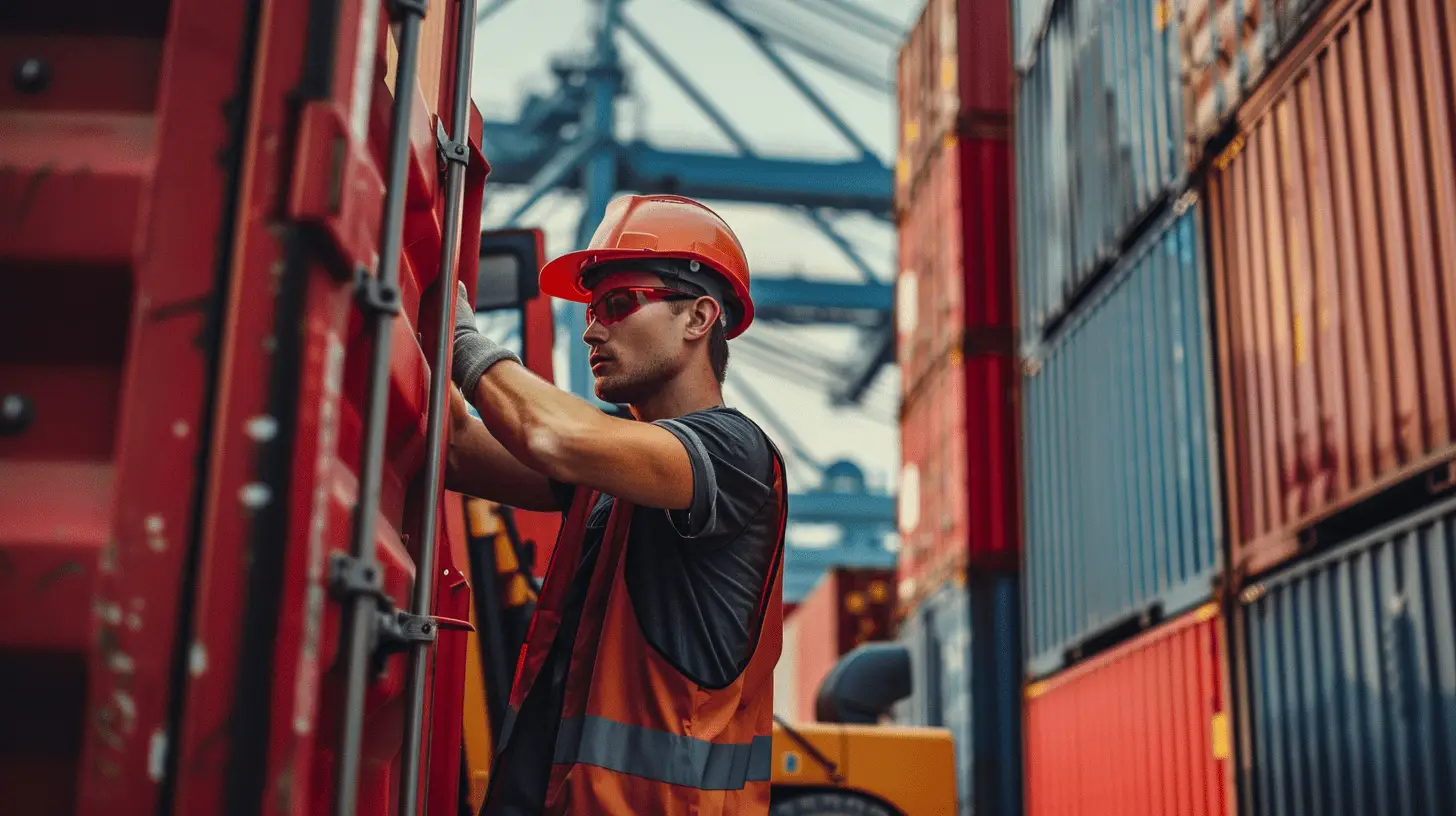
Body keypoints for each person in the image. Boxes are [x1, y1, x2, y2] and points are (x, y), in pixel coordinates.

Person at [445, 194, 789, 815]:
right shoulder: (612, 477)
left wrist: (465, 342)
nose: (591, 328)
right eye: (589, 309)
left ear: (698, 317)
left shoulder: (734, 454)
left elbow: (556, 436)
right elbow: (455, 449)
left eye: (619, 304)